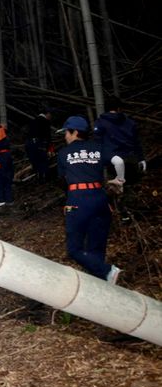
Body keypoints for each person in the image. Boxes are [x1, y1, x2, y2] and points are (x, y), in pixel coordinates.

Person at [57, 115, 121, 283]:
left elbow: (62, 181)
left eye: (66, 132)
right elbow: (119, 161)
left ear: (75, 132)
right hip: (100, 199)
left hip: (78, 200)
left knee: (74, 249)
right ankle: (101, 283)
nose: (65, 136)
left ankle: (107, 271)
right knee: (96, 247)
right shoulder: (98, 148)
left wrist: (70, 197)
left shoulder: (63, 153)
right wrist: (119, 180)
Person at [93, 96, 146, 186]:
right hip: (131, 161)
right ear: (119, 108)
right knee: (131, 187)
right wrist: (141, 158)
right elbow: (136, 143)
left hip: (112, 163)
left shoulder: (100, 123)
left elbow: (97, 144)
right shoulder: (130, 123)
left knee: (115, 189)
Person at [24, 108, 55, 183]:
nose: (51, 117)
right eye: (51, 115)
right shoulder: (45, 121)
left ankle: (39, 178)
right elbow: (47, 136)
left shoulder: (33, 120)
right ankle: (46, 179)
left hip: (29, 143)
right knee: (43, 160)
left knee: (35, 161)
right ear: (47, 114)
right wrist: (49, 148)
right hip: (38, 143)